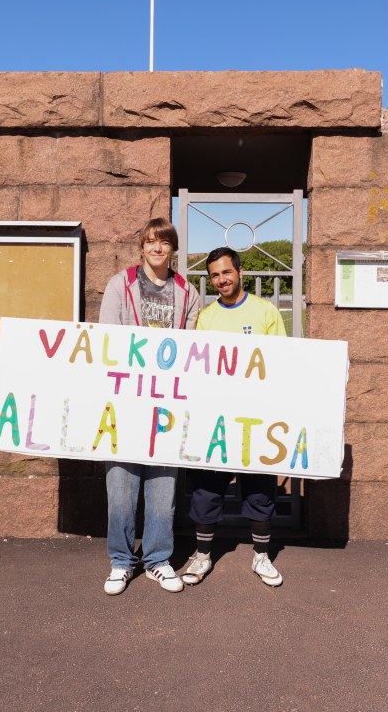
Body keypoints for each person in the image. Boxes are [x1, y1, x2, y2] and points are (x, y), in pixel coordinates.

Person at [97, 218, 201, 595]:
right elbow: (107, 338)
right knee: (121, 484)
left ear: (173, 249)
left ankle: (158, 559)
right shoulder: (119, 284)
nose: (158, 248)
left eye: (165, 243)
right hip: (126, 399)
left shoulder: (187, 292)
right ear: (141, 247)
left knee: (163, 486)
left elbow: (191, 347)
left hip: (168, 402)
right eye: (151, 242)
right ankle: (121, 562)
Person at [181, 246, 287, 587]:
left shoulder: (266, 311)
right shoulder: (207, 317)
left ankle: (261, 557)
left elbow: (282, 362)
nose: (221, 280)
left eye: (226, 272)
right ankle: (202, 556)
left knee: (259, 488)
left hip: (255, 418)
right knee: (207, 490)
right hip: (214, 418)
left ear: (239, 271)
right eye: (214, 275)